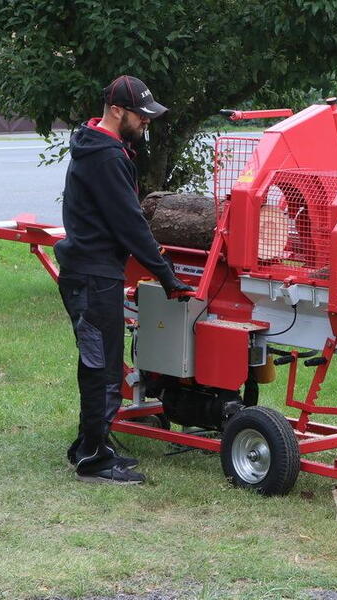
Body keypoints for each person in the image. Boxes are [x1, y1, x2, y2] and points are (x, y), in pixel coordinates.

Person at [55, 75, 193, 485]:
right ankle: (93, 460)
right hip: (93, 275)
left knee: (100, 362)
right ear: (117, 110)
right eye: (141, 114)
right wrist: (168, 278)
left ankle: (89, 444)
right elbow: (130, 224)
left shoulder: (97, 144)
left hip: (91, 271)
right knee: (101, 368)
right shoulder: (108, 157)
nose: (146, 121)